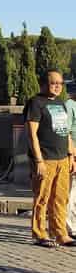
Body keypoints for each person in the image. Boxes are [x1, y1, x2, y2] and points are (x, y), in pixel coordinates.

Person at [24, 69, 76, 248]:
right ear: (44, 84)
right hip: (45, 159)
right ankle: (39, 233)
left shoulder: (61, 103)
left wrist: (71, 155)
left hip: (62, 158)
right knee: (42, 198)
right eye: (53, 83)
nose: (57, 86)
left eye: (60, 83)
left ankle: (60, 233)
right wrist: (38, 160)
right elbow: (32, 133)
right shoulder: (36, 103)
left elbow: (66, 131)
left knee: (61, 198)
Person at [65, 90, 76, 238]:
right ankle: (70, 227)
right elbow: (65, 132)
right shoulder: (69, 105)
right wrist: (71, 156)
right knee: (70, 192)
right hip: (73, 154)